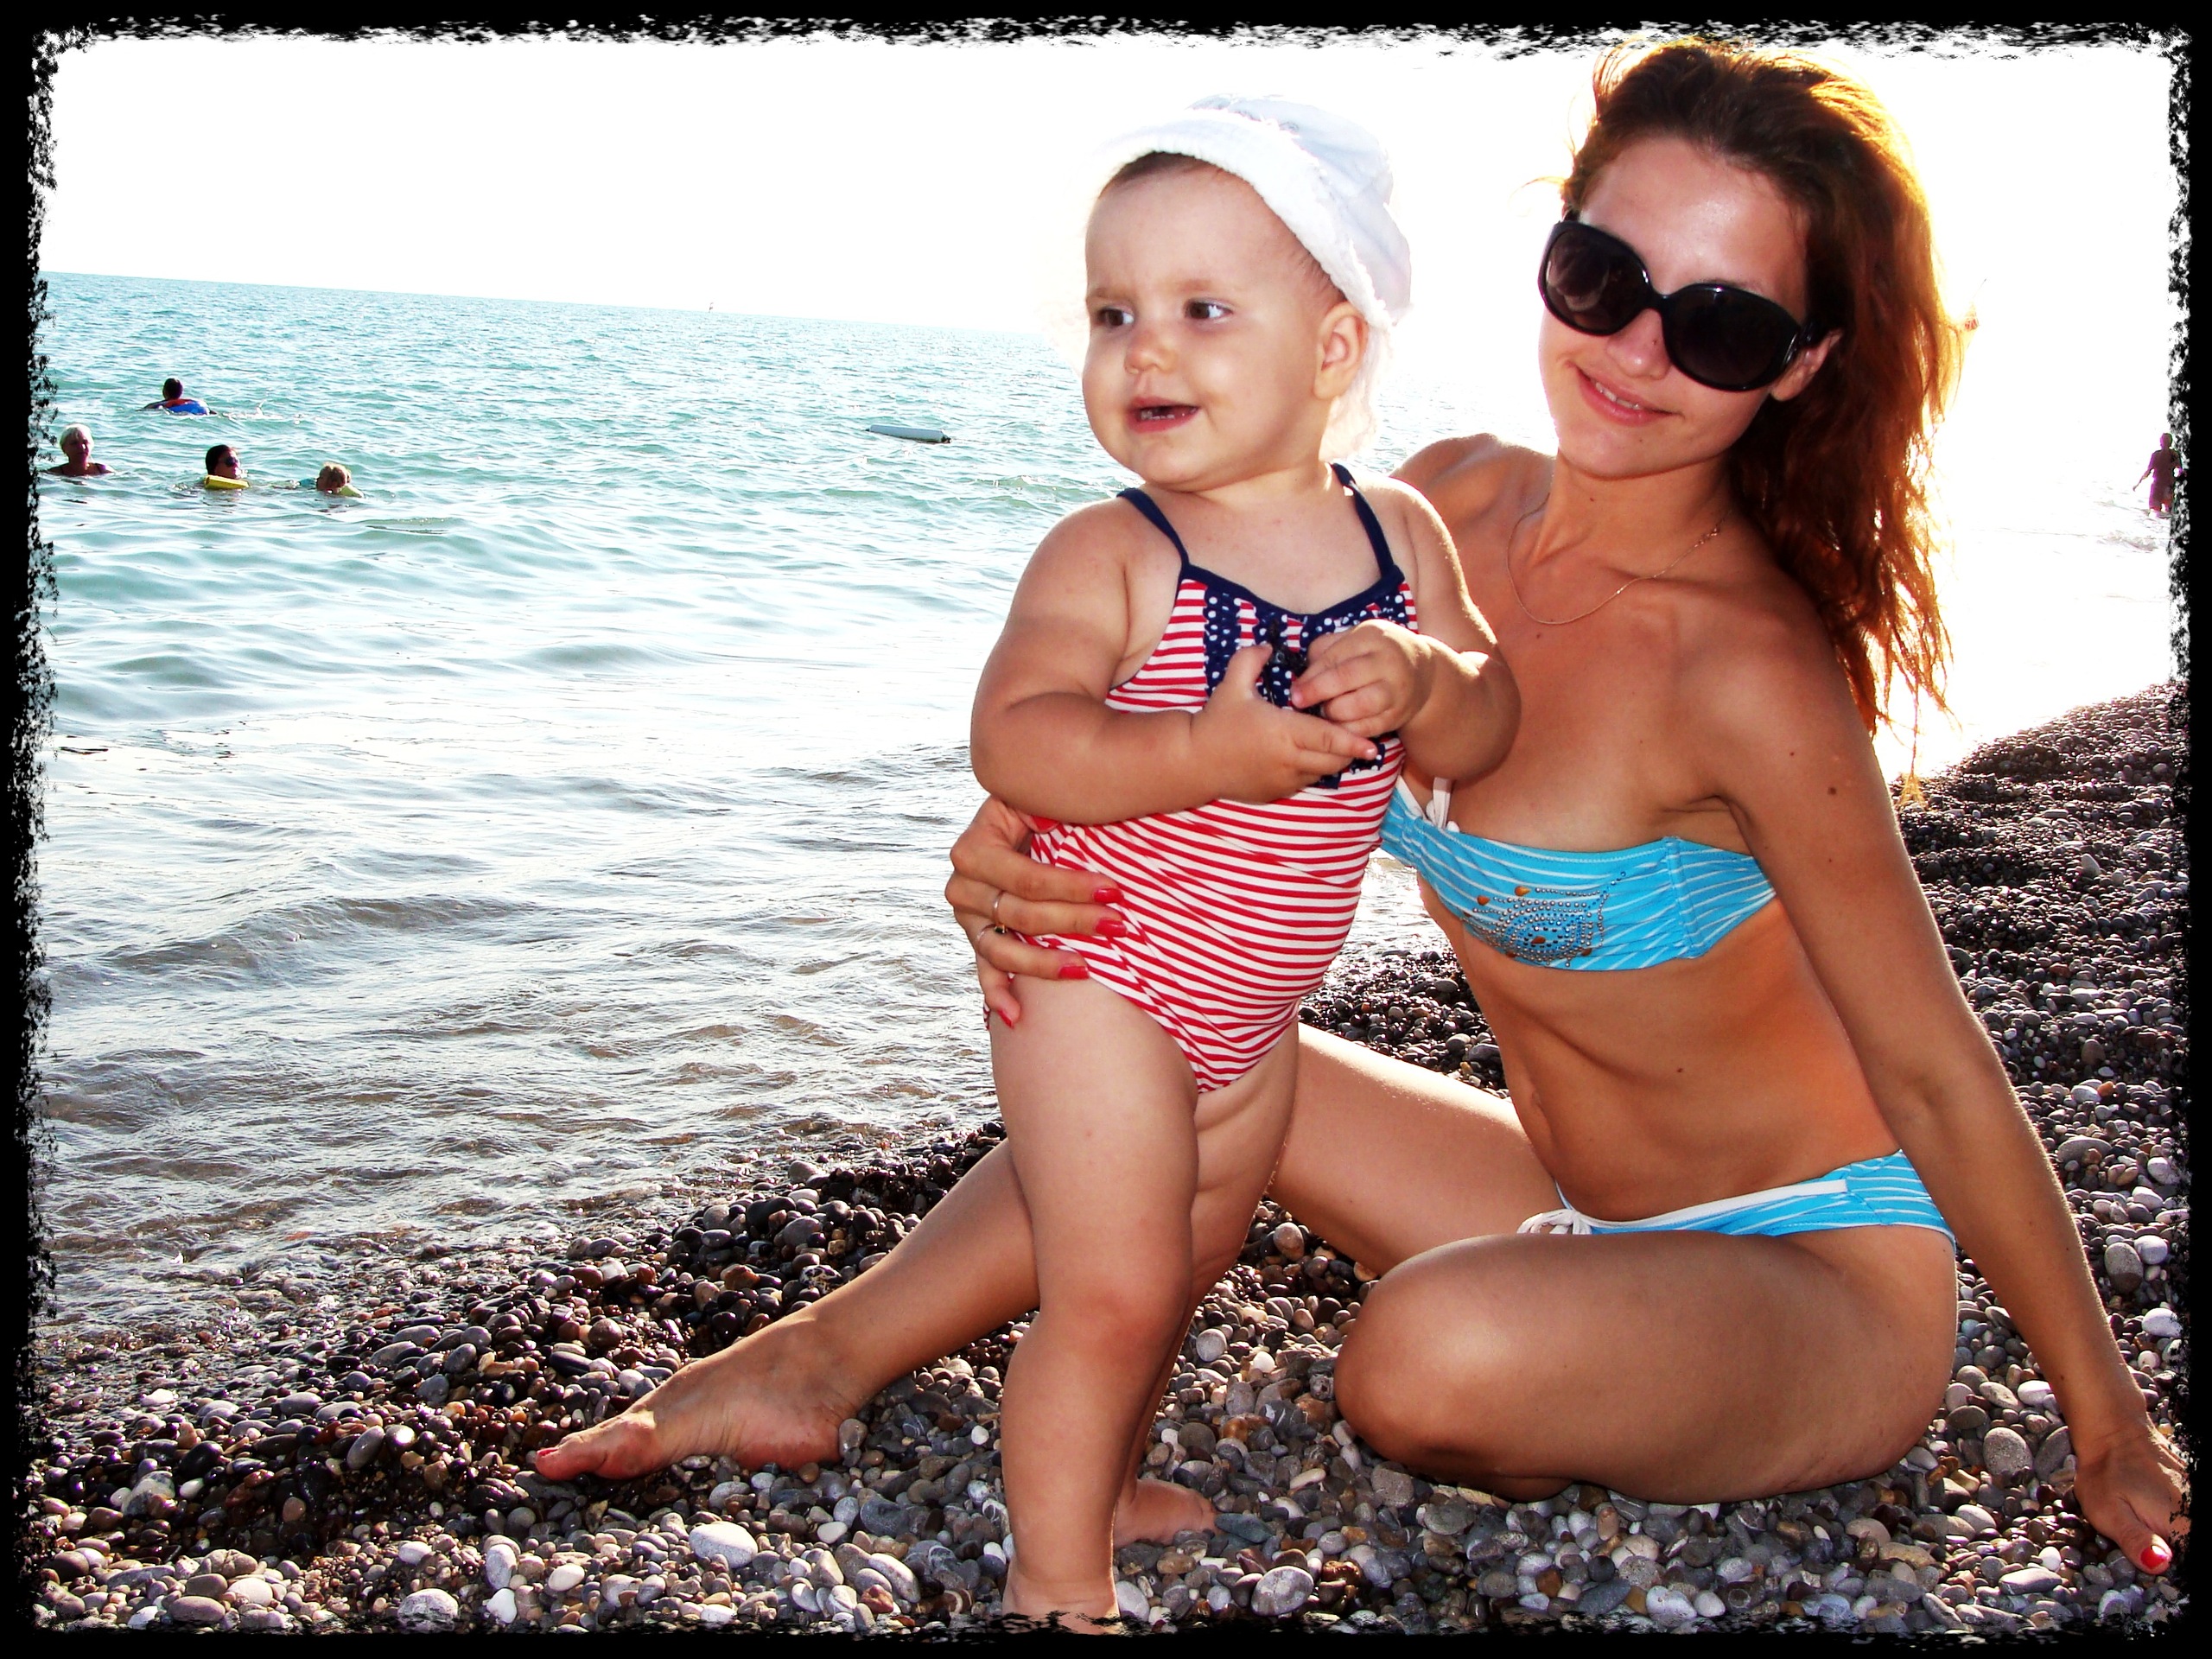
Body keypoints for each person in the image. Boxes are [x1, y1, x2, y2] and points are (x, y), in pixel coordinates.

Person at [539, 40, 2184, 1585]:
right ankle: (818, 1357)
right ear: (1553, 256)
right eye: (1602, 280)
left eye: (1724, 327)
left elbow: (1932, 1062)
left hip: (1810, 1266)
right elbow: (1145, 743)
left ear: (1801, 363)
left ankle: (1591, 1354)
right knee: (1170, 1033)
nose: (1633, 353)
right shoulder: (1430, 511)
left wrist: (2106, 1425)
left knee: (1416, 1365)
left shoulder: (1746, 669)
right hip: (1555, 1189)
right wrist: (1009, 847)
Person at [957, 102, 1516, 1627]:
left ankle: (1106, 1482)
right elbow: (1018, 736)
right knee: (1113, 1285)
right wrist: (1197, 754)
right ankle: (1055, 1580)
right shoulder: (1115, 551)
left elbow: (1489, 716)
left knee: (1188, 1264)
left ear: (1333, 349)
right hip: (1103, 977)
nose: (1147, 348)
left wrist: (1430, 681)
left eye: (1204, 310)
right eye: (1113, 314)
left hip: (1256, 1016)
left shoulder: (1400, 538)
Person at [46, 424, 111, 476]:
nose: (82, 447)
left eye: (85, 442)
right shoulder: (53, 474)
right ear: (64, 448)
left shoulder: (104, 471)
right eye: (74, 443)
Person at [2136, 433, 2177, 515]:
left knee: (2155, 512)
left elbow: (2148, 471)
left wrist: (2138, 483)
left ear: (2161, 442)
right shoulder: (2174, 455)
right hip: (2168, 487)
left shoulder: (2156, 455)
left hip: (2157, 487)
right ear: (2171, 443)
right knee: (2170, 513)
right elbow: (2181, 471)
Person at [143, 377, 211, 415]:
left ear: (164, 391)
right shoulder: (193, 403)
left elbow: (144, 411)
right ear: (181, 392)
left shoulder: (157, 405)